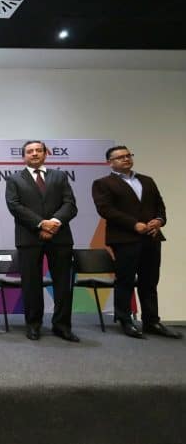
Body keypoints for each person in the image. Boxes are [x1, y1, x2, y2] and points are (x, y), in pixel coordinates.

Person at [91, 145, 182, 339]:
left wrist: (159, 220)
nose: (126, 159)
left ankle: (151, 321)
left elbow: (160, 205)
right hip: (124, 239)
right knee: (125, 280)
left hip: (151, 237)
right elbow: (105, 209)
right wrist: (133, 224)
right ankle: (125, 320)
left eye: (128, 155)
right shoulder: (103, 183)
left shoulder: (147, 180)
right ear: (110, 162)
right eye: (120, 157)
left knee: (150, 281)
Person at [5, 140, 79, 342]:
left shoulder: (59, 176)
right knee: (31, 284)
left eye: (38, 150)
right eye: (30, 151)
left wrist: (54, 222)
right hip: (29, 237)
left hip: (60, 236)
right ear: (24, 156)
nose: (35, 154)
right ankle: (33, 325)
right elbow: (14, 206)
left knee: (63, 284)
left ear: (46, 154)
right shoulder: (14, 179)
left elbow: (70, 204)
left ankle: (62, 326)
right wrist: (41, 224)